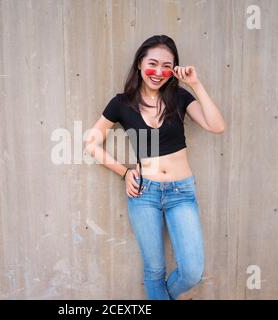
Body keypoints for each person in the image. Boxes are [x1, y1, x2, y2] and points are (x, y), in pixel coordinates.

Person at [84, 35, 225, 300]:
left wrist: (195, 83)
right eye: (152, 64)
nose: (158, 72)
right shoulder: (121, 103)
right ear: (139, 64)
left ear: (174, 69)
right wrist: (125, 172)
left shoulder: (180, 97)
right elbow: (91, 143)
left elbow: (216, 126)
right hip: (144, 193)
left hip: (181, 192)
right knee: (155, 270)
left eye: (166, 66)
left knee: (192, 271)